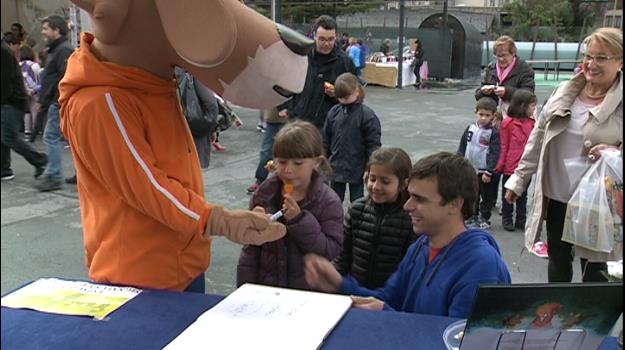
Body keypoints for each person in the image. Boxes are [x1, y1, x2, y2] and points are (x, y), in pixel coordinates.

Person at [57, 0, 315, 292]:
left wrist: (216, 220)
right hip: (141, 276)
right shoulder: (102, 101)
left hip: (182, 262)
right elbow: (148, 187)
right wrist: (219, 220)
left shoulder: (150, 85)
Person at [304, 152, 511, 318]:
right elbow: (389, 298)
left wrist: (385, 312)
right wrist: (339, 284)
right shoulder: (421, 246)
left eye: (419, 199)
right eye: (410, 196)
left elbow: (456, 339)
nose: (407, 206)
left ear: (455, 204)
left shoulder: (482, 267)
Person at [504, 27, 623, 283]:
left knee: (596, 271)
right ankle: (558, 317)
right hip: (558, 196)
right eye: (588, 56)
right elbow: (538, 137)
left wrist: (616, 153)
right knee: (558, 265)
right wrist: (519, 179)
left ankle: (592, 320)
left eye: (601, 58)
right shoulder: (564, 92)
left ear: (620, 62)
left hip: (599, 203)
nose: (591, 64)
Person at [237, 121, 344, 290]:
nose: (288, 170)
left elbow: (329, 250)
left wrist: (299, 220)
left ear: (317, 162)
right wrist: (245, 288)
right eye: (282, 162)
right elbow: (251, 249)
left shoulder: (328, 201)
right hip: (267, 289)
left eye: (298, 163)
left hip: (306, 293)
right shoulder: (265, 195)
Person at [333, 147, 416, 289]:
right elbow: (343, 256)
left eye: (385, 181)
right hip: (355, 288)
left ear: (403, 184)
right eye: (373, 179)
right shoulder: (356, 210)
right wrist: (334, 281)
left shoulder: (410, 218)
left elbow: (411, 267)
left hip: (390, 294)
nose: (376, 186)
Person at [283, 15, 357, 130]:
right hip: (298, 122)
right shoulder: (302, 56)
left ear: (336, 37)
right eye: (322, 39)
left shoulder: (345, 62)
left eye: (330, 39)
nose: (326, 44)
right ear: (314, 36)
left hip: (329, 126)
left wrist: (337, 94)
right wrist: (284, 107)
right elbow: (284, 80)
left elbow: (357, 95)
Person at [323, 72, 381, 203]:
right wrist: (324, 159)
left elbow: (373, 145)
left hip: (358, 167)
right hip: (336, 166)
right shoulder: (334, 112)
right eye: (340, 97)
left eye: (346, 97)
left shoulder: (367, 115)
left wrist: (370, 167)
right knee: (334, 201)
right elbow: (325, 139)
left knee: (357, 201)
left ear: (356, 92)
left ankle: (356, 222)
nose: (343, 100)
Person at [35, 15, 74, 192]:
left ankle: (54, 175)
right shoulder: (58, 49)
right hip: (58, 101)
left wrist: (54, 100)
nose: (43, 32)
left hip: (58, 102)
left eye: (46, 28)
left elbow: (64, 78)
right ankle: (81, 173)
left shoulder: (62, 50)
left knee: (51, 136)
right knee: (73, 139)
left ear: (56, 30)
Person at [1, 42, 47, 181]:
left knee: (9, 137)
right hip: (11, 100)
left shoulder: (3, 52)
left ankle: (39, 160)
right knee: (4, 136)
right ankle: (4, 169)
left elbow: (5, 81)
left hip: (12, 101)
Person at [495, 90, 536, 233]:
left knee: (523, 194)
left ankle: (521, 218)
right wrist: (500, 164)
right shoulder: (508, 123)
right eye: (532, 106)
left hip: (525, 166)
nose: (534, 109)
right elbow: (503, 145)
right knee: (508, 193)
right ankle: (507, 218)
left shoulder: (533, 124)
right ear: (523, 106)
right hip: (510, 165)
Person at [457, 97, 501, 229]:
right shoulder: (470, 128)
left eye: (487, 115)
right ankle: (472, 216)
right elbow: (463, 145)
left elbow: (495, 153)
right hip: (471, 169)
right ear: (475, 112)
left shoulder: (493, 133)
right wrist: (458, 161)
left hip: (484, 171)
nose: (483, 118)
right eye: (481, 114)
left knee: (486, 195)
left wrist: (489, 171)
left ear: (493, 116)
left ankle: (484, 218)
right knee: (472, 194)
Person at [476, 35, 535, 118]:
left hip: (516, 118)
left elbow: (529, 95)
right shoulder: (491, 68)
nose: (501, 59)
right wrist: (483, 91)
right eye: (498, 56)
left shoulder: (524, 69)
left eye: (504, 55)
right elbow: (478, 95)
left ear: (513, 53)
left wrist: (506, 92)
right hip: (493, 118)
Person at [175, 67, 219, 169]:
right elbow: (211, 105)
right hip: (193, 133)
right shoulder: (193, 72)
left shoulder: (160, 71)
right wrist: (212, 128)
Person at [247, 107, 289, 194]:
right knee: (266, 151)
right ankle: (260, 180)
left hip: (293, 119)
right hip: (274, 118)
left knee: (290, 153)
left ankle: (286, 183)